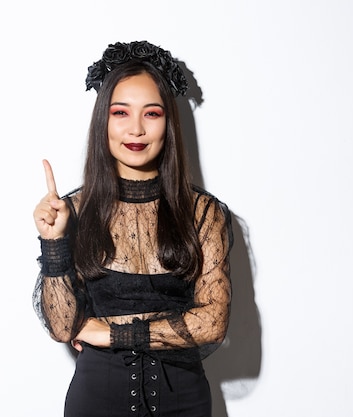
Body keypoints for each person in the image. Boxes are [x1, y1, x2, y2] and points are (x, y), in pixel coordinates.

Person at [32, 40, 234, 417]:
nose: (136, 129)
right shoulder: (73, 211)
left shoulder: (204, 213)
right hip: (96, 401)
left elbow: (214, 322)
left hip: (184, 402)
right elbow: (61, 327)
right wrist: (54, 242)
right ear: (103, 121)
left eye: (152, 114)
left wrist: (110, 334)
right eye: (121, 112)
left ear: (168, 123)